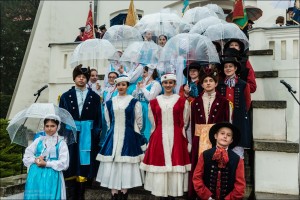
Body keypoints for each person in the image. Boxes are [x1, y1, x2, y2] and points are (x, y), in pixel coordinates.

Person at [140, 73, 191, 199]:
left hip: (177, 137)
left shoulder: (182, 101)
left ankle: (172, 194)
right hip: (159, 136)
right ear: (162, 84)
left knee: (175, 164)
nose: (168, 85)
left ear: (174, 84)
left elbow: (185, 121)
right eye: (165, 82)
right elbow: (153, 121)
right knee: (160, 164)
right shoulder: (153, 102)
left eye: (171, 82)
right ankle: (161, 194)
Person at [96, 75, 146, 200]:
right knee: (113, 166)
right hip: (113, 138)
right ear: (116, 86)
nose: (121, 87)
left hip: (128, 138)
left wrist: (134, 135)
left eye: (123, 84)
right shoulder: (109, 102)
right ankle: (114, 194)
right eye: (119, 85)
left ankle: (124, 193)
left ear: (127, 86)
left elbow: (139, 122)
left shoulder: (134, 102)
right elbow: (108, 122)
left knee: (126, 166)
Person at [59, 64, 101, 199]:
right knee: (71, 159)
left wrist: (95, 132)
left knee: (85, 160)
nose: (81, 79)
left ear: (87, 79)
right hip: (71, 132)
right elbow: (61, 116)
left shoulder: (95, 97)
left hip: (87, 133)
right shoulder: (65, 96)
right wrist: (63, 134)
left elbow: (98, 118)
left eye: (84, 77)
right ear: (74, 78)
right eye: (79, 76)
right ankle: (71, 194)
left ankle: (82, 192)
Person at [188, 67, 230, 199]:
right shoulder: (194, 102)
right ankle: (197, 194)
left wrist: (224, 141)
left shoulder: (224, 102)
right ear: (201, 84)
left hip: (216, 139)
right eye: (205, 81)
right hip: (198, 139)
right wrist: (190, 142)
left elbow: (227, 123)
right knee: (198, 168)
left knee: (214, 169)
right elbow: (191, 124)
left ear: (216, 83)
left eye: (211, 80)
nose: (208, 83)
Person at [193, 122, 246, 200]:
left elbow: (240, 186)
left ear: (231, 140)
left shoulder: (237, 159)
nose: (225, 136)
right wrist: (208, 197)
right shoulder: (205, 155)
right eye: (222, 133)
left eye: (228, 135)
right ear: (215, 136)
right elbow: (197, 178)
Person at [23, 114, 69, 200]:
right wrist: (35, 159)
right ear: (43, 127)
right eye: (47, 126)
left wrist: (46, 163)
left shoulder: (61, 143)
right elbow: (27, 155)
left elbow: (64, 163)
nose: (49, 128)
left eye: (52, 126)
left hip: (52, 175)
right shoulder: (39, 140)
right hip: (35, 174)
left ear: (57, 127)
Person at [217, 57, 251, 159]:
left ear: (235, 68)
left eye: (230, 66)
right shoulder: (220, 85)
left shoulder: (243, 85)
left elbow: (247, 103)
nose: (228, 68)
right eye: (226, 67)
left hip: (238, 120)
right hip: (223, 119)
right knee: (222, 150)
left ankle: (238, 174)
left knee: (237, 151)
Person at [132, 64, 162, 141]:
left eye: (144, 72)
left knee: (147, 129)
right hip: (138, 109)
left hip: (148, 109)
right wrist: (137, 89)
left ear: (151, 72)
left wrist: (143, 88)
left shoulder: (156, 84)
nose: (142, 75)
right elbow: (135, 97)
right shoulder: (142, 84)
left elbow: (150, 98)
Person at [100, 71, 119, 148]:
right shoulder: (104, 89)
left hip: (113, 111)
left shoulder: (118, 89)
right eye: (110, 77)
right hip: (103, 111)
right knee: (104, 128)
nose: (111, 79)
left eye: (114, 77)